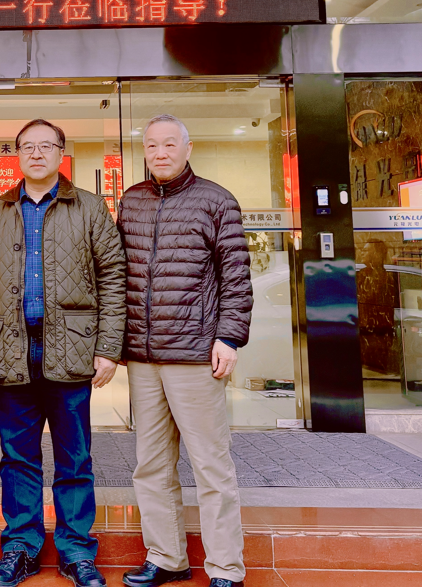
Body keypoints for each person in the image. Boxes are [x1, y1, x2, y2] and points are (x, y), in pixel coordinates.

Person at [0, 119, 126, 587]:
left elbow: (113, 278)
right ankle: (21, 547)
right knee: (17, 458)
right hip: (12, 352)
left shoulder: (91, 207)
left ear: (61, 152)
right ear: (17, 154)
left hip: (72, 351)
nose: (36, 154)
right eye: (27, 147)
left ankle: (76, 551)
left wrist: (108, 348)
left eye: (46, 146)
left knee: (74, 459)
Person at [115, 114, 253, 587]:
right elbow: (119, 275)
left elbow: (236, 277)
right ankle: (166, 557)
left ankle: (226, 568)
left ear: (188, 148)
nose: (160, 152)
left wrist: (229, 337)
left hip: (196, 353)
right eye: (152, 144)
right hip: (143, 356)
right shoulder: (131, 200)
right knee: (151, 464)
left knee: (211, 464)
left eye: (170, 144)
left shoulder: (216, 200)